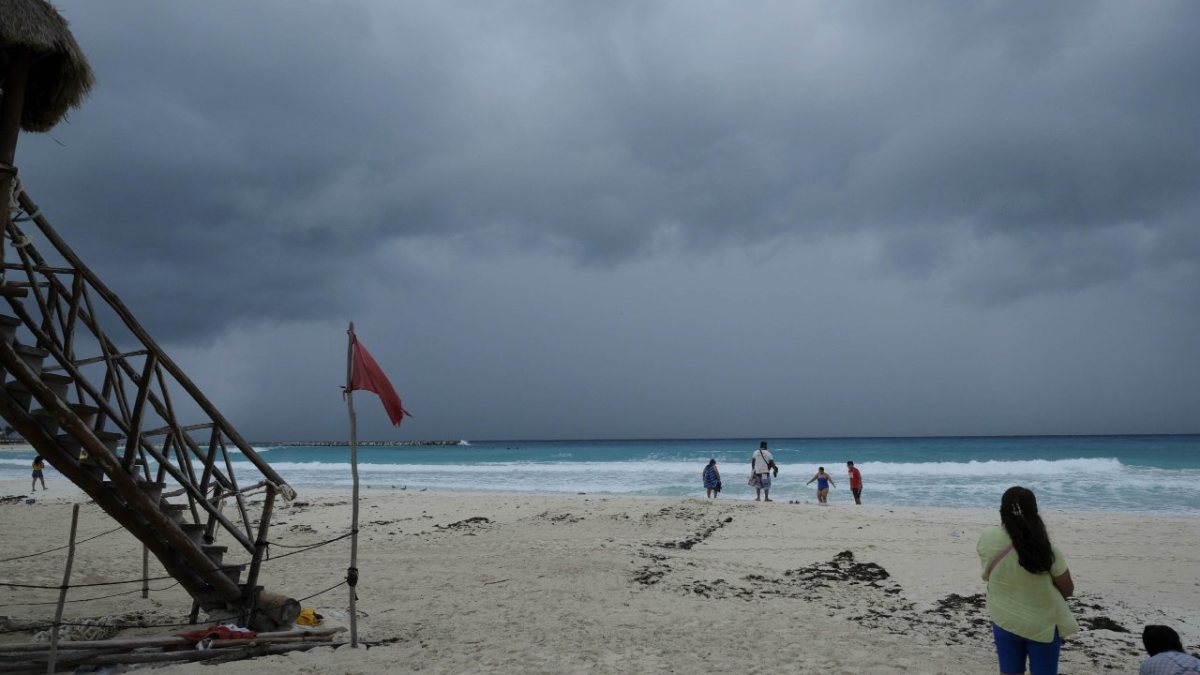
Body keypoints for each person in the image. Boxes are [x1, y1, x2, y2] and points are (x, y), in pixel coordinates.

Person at [978, 486, 1077, 675]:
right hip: (1042, 625)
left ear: (1002, 511)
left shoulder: (988, 537)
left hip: (1004, 620)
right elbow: (1068, 589)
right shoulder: (1047, 550)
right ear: (1035, 512)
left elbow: (987, 570)